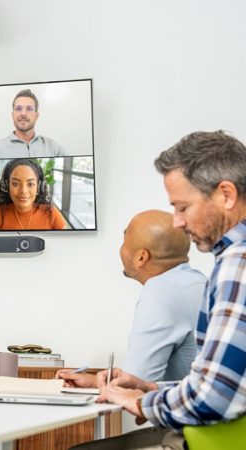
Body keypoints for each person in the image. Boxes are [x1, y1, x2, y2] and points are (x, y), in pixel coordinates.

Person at [76, 131, 246, 450]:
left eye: (183, 207)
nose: (178, 222)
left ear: (226, 194)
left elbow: (215, 397)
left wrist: (143, 402)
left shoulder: (238, 264)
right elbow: (235, 384)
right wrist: (152, 386)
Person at [57, 210, 206, 390]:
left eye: (124, 241)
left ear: (141, 257)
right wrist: (96, 381)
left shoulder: (162, 291)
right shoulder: (199, 281)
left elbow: (135, 385)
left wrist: (103, 383)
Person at [0, 159, 66, 230]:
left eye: (30, 184)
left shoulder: (51, 214)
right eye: (15, 184)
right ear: (6, 186)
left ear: (39, 186)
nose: (23, 191)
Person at [0, 89, 66, 159]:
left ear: (36, 116)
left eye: (29, 109)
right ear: (12, 115)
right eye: (18, 109)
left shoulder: (53, 148)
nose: (23, 113)